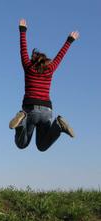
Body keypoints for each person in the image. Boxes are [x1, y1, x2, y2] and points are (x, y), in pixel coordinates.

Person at [9, 19, 79, 151]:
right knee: (41, 146)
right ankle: (58, 125)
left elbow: (23, 49)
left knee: (22, 144)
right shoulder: (50, 68)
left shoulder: (28, 66)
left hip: (30, 109)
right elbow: (60, 56)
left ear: (33, 60)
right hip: (47, 111)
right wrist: (70, 40)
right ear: (45, 61)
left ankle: (21, 121)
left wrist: (22, 31)